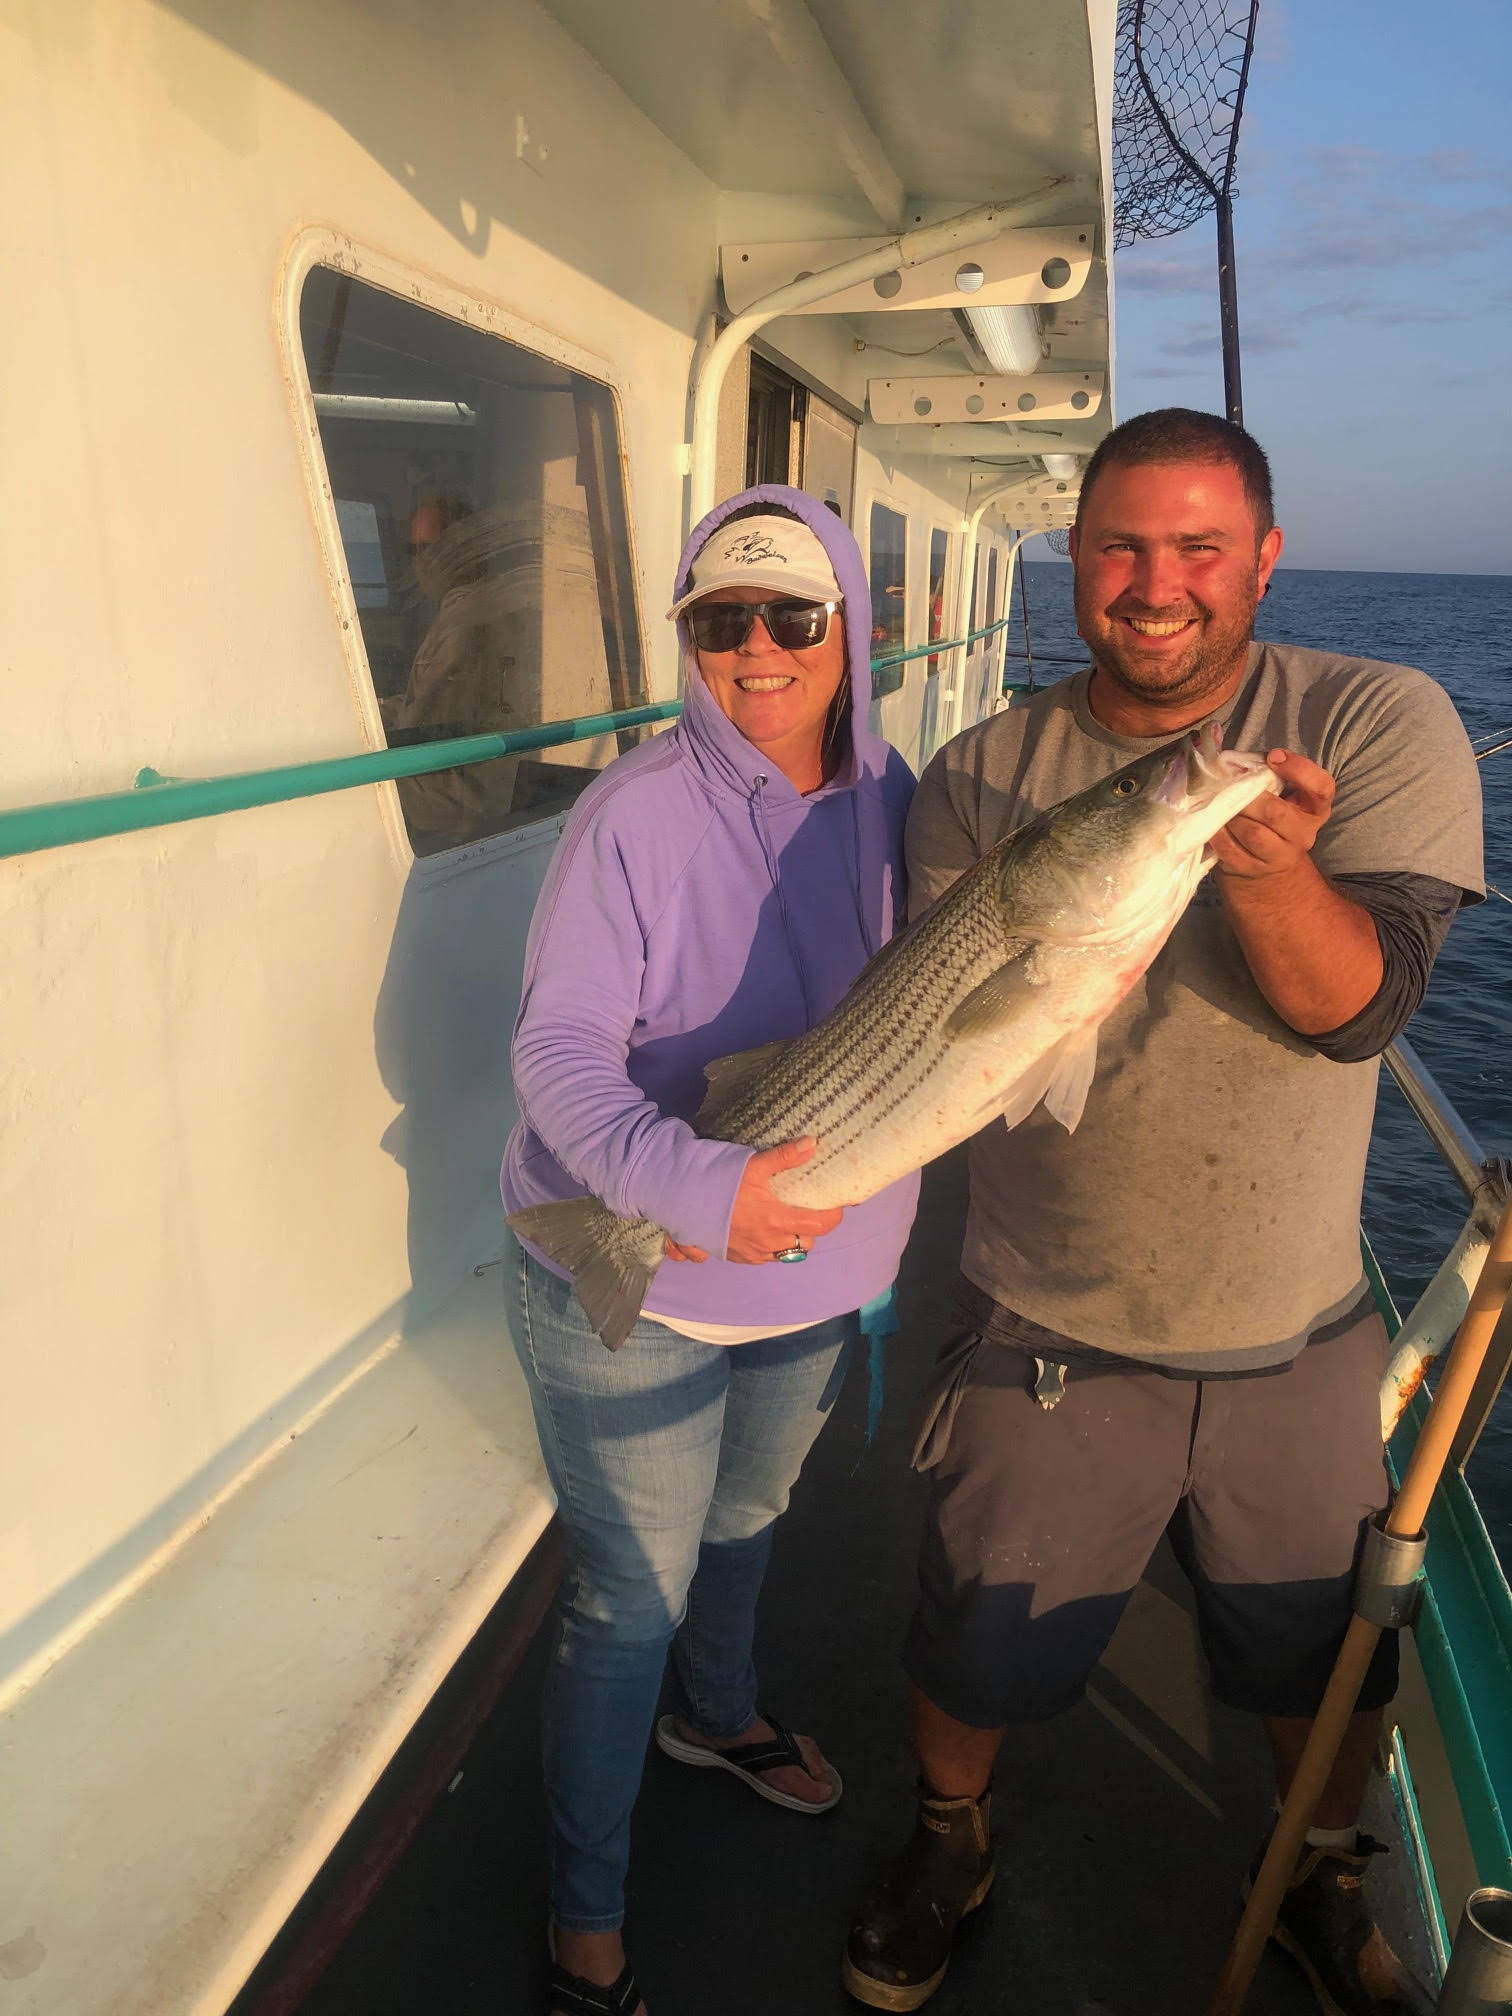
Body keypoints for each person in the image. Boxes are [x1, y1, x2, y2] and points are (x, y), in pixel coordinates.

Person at [841, 409, 1484, 2016]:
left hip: (1295, 1317)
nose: (1158, 584)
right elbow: (960, 1038)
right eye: (1123, 545)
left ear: (1265, 555)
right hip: (1040, 1306)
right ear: (1075, 556)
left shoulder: (1377, 714)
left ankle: (1320, 1878)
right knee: (977, 1632)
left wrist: (1267, 869)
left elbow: (1362, 1015)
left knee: (1318, 1654)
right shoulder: (986, 773)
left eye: (1202, 548)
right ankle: (949, 1836)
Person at [500, 484, 919, 2016]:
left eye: (792, 617)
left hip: (815, 1287)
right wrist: (692, 1186)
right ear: (687, 638)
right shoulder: (633, 813)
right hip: (639, 1269)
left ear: (848, 629)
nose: (756, 650)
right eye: (719, 621)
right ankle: (586, 1913)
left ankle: (722, 1716)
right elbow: (554, 1051)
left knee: (749, 1522)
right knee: (630, 1600)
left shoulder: (899, 794)